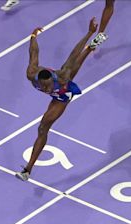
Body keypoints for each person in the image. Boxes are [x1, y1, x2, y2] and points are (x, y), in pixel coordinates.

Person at [15, 1, 114, 181]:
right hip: (58, 84)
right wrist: (33, 37)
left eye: (46, 86)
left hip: (62, 94)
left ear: (50, 80)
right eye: (43, 86)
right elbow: (33, 53)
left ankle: (27, 169)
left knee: (43, 126)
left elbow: (73, 53)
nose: (45, 89)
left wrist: (89, 32)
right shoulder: (31, 74)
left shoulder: (60, 78)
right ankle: (28, 170)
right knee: (42, 128)